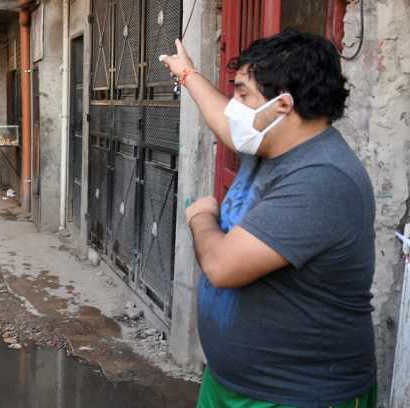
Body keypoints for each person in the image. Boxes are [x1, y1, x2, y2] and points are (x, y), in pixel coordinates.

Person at [161, 30, 377, 407]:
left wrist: (201, 216)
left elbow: (221, 265)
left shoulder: (321, 179)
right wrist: (188, 75)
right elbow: (227, 125)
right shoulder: (273, 142)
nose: (234, 106)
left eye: (243, 94)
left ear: (282, 105)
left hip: (295, 396)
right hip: (235, 383)